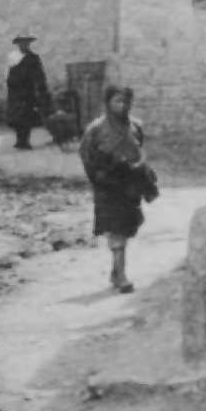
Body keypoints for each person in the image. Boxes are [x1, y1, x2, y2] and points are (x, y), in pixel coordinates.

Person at [80, 84, 158, 293]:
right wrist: (101, 176)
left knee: (125, 228)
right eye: (117, 101)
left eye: (126, 102)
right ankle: (121, 276)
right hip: (108, 186)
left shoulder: (135, 127)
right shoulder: (95, 130)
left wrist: (139, 170)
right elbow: (87, 158)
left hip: (129, 186)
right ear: (107, 103)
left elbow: (139, 149)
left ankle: (116, 272)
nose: (122, 106)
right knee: (116, 230)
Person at [5, 34, 50, 150]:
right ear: (18, 44)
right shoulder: (12, 57)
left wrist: (40, 89)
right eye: (21, 43)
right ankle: (19, 139)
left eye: (26, 43)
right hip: (15, 91)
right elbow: (9, 74)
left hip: (27, 91)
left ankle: (24, 140)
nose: (23, 45)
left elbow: (39, 75)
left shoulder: (33, 58)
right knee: (16, 116)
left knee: (26, 116)